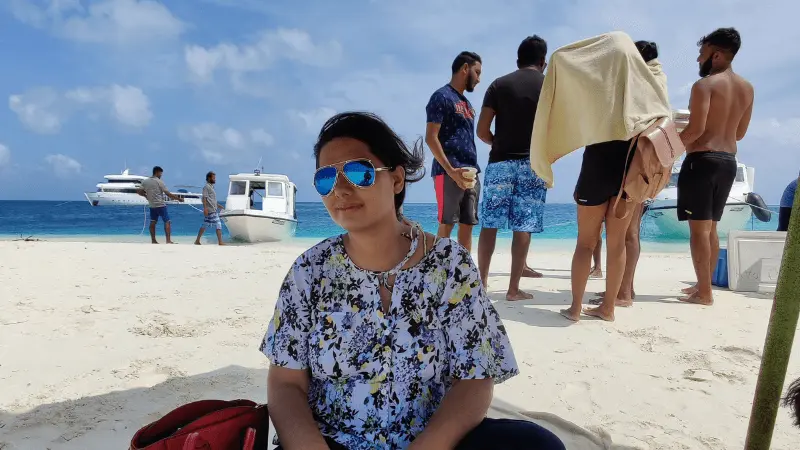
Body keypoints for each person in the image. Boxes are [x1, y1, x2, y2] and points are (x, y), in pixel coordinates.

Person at [261, 112, 565, 450]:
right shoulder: (309, 272)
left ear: (396, 180)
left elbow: (476, 378)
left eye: (359, 172)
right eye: (325, 178)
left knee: (538, 445)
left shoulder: (450, 265)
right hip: (333, 440)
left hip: (434, 439)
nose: (341, 189)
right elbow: (286, 382)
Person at [560, 40, 664, 322]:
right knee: (617, 244)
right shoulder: (648, 97)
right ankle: (608, 308)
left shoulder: (602, 90)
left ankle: (575, 308)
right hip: (628, 174)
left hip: (596, 169)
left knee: (585, 243)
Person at [678, 27, 754, 305]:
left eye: (703, 54)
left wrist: (669, 147)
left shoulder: (705, 85)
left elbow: (695, 130)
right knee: (710, 229)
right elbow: (740, 133)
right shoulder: (747, 88)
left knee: (698, 230)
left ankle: (705, 294)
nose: (699, 59)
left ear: (717, 55)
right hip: (728, 162)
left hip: (702, 161)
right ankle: (702, 286)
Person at [476, 36, 549, 300]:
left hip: (500, 163)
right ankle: (512, 289)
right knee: (524, 226)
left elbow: (482, 130)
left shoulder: (498, 84)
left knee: (489, 225)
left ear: (518, 60)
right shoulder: (549, 87)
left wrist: (499, 143)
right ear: (543, 61)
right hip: (533, 165)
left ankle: (482, 284)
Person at [425, 51, 483, 252]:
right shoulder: (441, 96)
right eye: (477, 72)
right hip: (447, 171)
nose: (479, 79)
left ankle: (464, 273)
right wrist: (450, 170)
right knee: (447, 223)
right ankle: (439, 273)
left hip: (470, 172)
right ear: (465, 69)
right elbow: (431, 138)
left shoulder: (467, 104)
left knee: (467, 225)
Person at [137, 166, 184, 244]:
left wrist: (146, 196)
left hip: (152, 205)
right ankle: (168, 241)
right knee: (167, 221)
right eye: (160, 173)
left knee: (153, 222)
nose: (161, 175)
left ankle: (153, 240)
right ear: (157, 172)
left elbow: (139, 191)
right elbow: (167, 193)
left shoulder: (145, 181)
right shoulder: (159, 181)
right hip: (160, 205)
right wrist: (179, 199)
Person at [194, 171, 225, 246]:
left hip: (212, 209)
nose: (215, 179)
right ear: (209, 178)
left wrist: (218, 205)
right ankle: (220, 242)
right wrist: (205, 209)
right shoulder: (206, 187)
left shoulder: (211, 187)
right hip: (210, 210)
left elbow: (211, 200)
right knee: (218, 224)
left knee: (204, 225)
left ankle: (197, 241)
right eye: (213, 178)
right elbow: (204, 198)